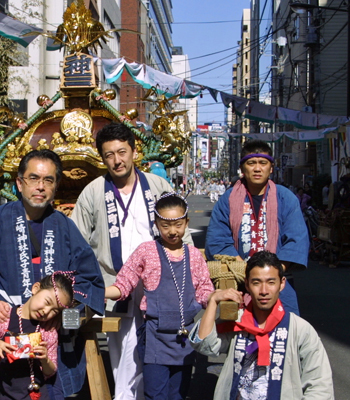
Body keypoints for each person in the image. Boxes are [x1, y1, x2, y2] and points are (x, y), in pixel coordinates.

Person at [0, 149, 105, 398]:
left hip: (49, 329)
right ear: (19, 183)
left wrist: (64, 310)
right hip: (7, 324)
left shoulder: (65, 226)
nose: (40, 186)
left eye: (48, 180)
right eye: (33, 178)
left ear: (56, 186)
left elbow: (89, 279)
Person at [71, 122, 193, 400]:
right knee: (125, 356)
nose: (117, 160)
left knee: (161, 354)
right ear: (102, 158)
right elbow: (77, 241)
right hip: (117, 285)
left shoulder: (157, 185)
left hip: (161, 288)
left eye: (122, 151)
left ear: (134, 152)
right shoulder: (93, 191)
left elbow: (180, 232)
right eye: (109, 154)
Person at [105, 192, 214, 400]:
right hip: (155, 337)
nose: (172, 231)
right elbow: (124, 283)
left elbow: (204, 291)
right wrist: (101, 292)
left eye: (178, 225)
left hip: (185, 336)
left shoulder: (194, 256)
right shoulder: (146, 251)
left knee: (179, 395)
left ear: (187, 222)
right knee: (155, 394)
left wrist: (217, 298)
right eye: (165, 226)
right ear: (156, 224)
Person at [189, 251, 334, 399]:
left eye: (271, 282)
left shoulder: (300, 329)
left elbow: (320, 385)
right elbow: (204, 343)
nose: (264, 291)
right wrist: (213, 301)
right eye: (256, 283)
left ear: (282, 283)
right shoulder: (238, 322)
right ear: (247, 284)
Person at [205, 139, 309, 315]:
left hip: (277, 282)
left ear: (271, 167)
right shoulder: (228, 200)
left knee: (285, 334)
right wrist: (248, 273)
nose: (257, 168)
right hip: (240, 279)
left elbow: (296, 240)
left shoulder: (286, 198)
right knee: (237, 336)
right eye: (251, 163)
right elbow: (217, 241)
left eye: (263, 163)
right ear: (242, 168)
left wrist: (271, 274)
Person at [0, 272, 77, 400]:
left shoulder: (48, 330)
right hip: (4, 393)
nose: (46, 311)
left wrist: (45, 359)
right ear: (36, 288)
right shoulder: (4, 318)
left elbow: (51, 371)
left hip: (37, 394)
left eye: (54, 311)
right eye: (47, 302)